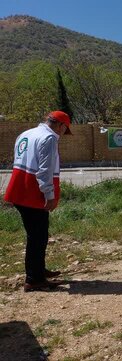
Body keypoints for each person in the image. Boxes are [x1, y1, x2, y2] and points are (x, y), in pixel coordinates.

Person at [4, 111, 72, 292]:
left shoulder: (27, 133)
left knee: (38, 234)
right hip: (32, 193)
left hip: (19, 189)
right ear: (61, 125)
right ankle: (34, 279)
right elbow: (44, 170)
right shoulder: (49, 138)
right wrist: (49, 195)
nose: (62, 135)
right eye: (65, 130)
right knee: (37, 237)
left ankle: (38, 270)